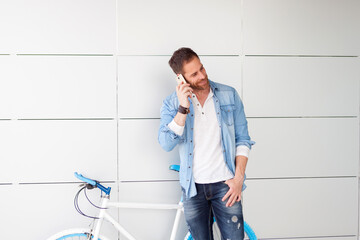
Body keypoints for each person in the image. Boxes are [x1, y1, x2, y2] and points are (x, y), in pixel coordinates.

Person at [158, 47, 255, 239]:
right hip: (193, 188)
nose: (202, 75)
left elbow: (242, 139)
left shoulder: (229, 95)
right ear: (181, 78)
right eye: (194, 74)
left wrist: (238, 179)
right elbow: (166, 143)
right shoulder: (171, 104)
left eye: (202, 68)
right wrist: (183, 108)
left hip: (226, 185)